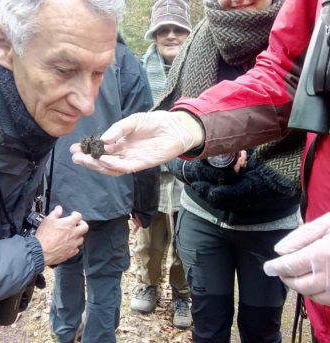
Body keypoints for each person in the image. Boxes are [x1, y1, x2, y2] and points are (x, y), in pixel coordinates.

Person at [70, 0, 330, 342]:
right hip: (225, 220)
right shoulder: (214, 39)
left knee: (262, 328)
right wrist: (191, 125)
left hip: (281, 223)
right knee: (208, 324)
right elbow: (286, 75)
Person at [0, 0, 123, 341]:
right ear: (3, 43)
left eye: (99, 72)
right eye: (64, 69)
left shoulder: (23, 98)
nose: (87, 103)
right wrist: (36, 250)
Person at [157, 0, 304, 341]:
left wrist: (262, 173)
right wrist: (198, 169)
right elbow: (169, 136)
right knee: (208, 328)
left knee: (261, 331)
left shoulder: (304, 39)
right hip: (202, 217)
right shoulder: (196, 43)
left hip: (271, 222)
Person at [48, 33, 159, 343]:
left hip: (61, 193)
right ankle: (96, 337)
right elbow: (143, 139)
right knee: (104, 278)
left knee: (67, 267)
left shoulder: (55, 54)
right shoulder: (125, 61)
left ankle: (65, 334)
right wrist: (145, 206)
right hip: (110, 195)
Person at [129, 0, 192, 330]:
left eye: (178, 29)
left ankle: (183, 293)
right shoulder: (137, 71)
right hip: (151, 173)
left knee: (186, 240)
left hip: (190, 173)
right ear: (153, 35)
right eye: (163, 29)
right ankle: (148, 284)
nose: (170, 35)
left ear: (188, 33)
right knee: (149, 241)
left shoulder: (202, 70)